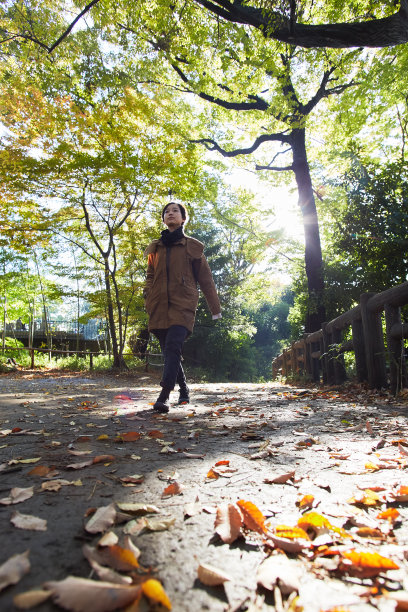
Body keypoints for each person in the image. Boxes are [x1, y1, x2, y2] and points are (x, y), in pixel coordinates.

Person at [143, 202, 221, 412]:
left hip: (183, 304)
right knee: (170, 352)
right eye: (167, 211)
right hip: (158, 305)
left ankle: (164, 395)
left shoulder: (192, 247)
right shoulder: (155, 248)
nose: (170, 214)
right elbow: (150, 276)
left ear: (183, 219)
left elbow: (206, 280)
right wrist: (148, 296)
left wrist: (215, 308)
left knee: (173, 347)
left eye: (175, 211)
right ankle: (184, 390)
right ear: (163, 218)